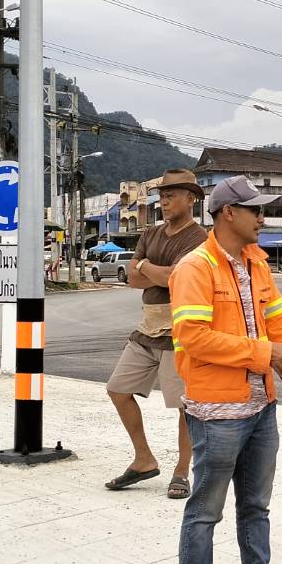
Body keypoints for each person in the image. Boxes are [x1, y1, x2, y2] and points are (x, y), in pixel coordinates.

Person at [169, 175, 282, 564]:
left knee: (255, 506)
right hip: (217, 411)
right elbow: (195, 338)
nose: (262, 217)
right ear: (228, 213)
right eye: (255, 210)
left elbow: (280, 325)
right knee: (205, 510)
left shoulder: (257, 264)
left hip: (261, 408)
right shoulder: (195, 268)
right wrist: (264, 354)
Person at [105, 169, 207, 498]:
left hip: (180, 329)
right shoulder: (150, 233)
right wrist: (154, 271)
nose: (164, 201)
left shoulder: (199, 239)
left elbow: (174, 278)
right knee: (118, 389)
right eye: (162, 195)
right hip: (147, 326)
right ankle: (144, 459)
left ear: (190, 199)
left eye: (171, 195)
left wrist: (145, 266)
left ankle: (182, 471)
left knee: (185, 406)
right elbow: (131, 278)